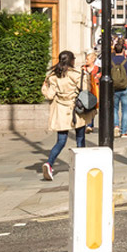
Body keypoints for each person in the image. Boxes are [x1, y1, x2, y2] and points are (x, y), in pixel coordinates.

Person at [40, 50, 93, 181]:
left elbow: (50, 95)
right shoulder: (77, 74)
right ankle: (83, 166)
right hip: (76, 110)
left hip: (61, 111)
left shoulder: (53, 76)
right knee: (80, 138)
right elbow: (86, 90)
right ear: (71, 61)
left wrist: (44, 88)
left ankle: (49, 163)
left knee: (61, 141)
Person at [109, 39, 127, 138]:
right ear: (124, 51)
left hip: (113, 88)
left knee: (114, 108)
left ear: (114, 51)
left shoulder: (110, 62)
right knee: (125, 110)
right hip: (126, 88)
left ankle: (116, 126)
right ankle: (124, 132)